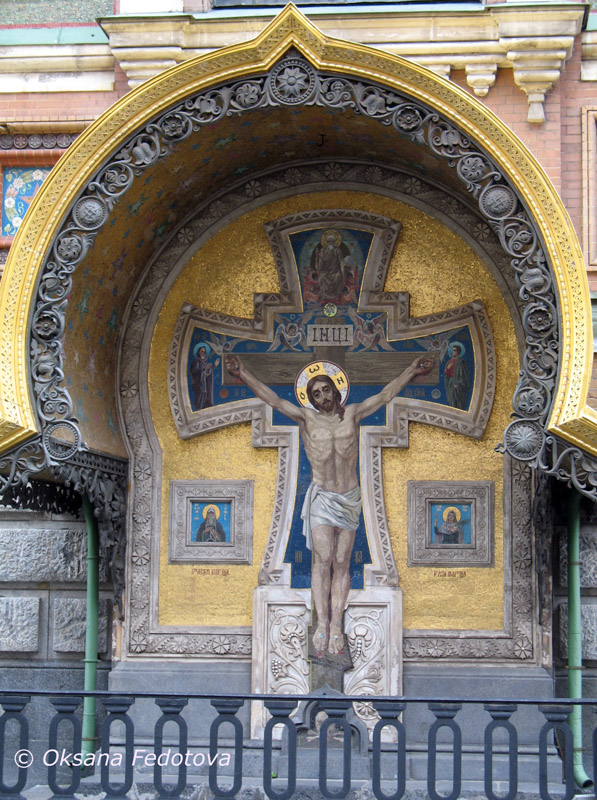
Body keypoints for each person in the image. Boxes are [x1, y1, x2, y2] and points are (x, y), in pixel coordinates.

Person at [225, 352, 433, 655]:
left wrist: (411, 372)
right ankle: (322, 624)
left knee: (341, 562)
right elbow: (273, 401)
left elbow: (386, 395)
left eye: (325, 390)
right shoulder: (306, 418)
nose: (322, 396)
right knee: (323, 559)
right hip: (322, 497)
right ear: (310, 398)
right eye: (315, 393)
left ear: (336, 391)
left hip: (349, 498)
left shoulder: (354, 414)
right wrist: (243, 373)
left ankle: (337, 625)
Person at [444, 342, 469, 410]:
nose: (453, 352)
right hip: (451, 382)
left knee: (458, 401)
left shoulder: (461, 362)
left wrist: (458, 384)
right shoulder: (450, 361)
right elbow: (447, 374)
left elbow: (463, 375)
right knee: (452, 401)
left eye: (454, 350)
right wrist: (447, 369)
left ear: (458, 352)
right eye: (452, 350)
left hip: (457, 384)